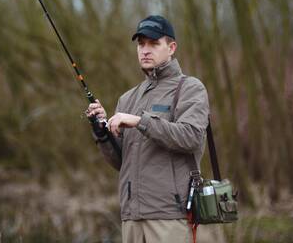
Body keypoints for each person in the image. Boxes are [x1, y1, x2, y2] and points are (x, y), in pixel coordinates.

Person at [86, 15, 210, 243]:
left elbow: (191, 137)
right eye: (141, 44)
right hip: (131, 217)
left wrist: (139, 121)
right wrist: (102, 133)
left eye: (154, 43)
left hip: (169, 216)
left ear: (171, 47)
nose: (145, 50)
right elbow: (121, 161)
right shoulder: (127, 98)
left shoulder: (190, 89)